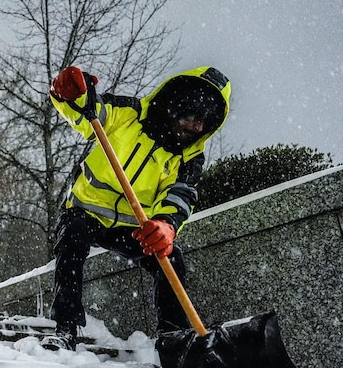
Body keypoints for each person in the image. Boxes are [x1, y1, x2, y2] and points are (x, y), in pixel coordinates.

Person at [40, 65, 231, 350]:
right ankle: (65, 328)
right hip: (86, 211)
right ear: (176, 104)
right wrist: (69, 92)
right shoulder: (128, 114)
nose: (196, 127)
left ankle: (173, 341)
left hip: (134, 227)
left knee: (172, 261)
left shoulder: (189, 159)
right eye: (192, 116)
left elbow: (180, 195)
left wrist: (166, 226)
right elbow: (86, 110)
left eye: (204, 122)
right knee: (72, 237)